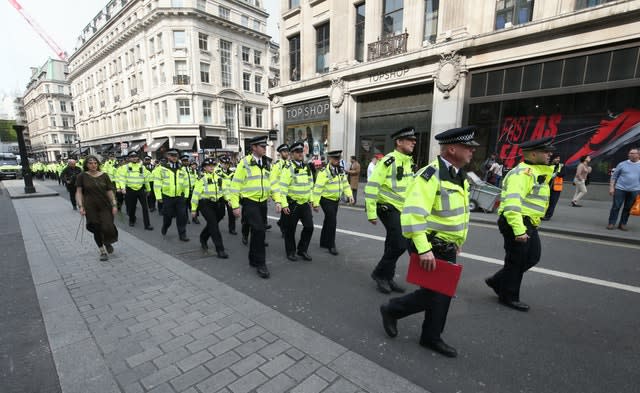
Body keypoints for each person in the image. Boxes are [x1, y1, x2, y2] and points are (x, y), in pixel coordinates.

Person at [379, 126, 479, 358]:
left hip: (446, 245)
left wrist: (457, 239)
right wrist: (424, 249)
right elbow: (413, 214)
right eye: (468, 147)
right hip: (430, 245)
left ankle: (429, 335)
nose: (472, 152)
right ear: (452, 149)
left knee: (441, 294)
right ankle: (394, 311)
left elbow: (457, 213)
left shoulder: (458, 176)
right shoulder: (430, 174)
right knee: (436, 294)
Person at [485, 137, 555, 312]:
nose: (550, 154)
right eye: (546, 152)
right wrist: (519, 230)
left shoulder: (537, 171)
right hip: (516, 221)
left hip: (528, 222)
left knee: (532, 257)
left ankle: (498, 281)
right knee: (516, 261)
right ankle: (508, 296)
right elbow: (512, 205)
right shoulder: (523, 173)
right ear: (533, 154)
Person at [365, 127, 417, 294]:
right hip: (387, 207)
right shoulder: (388, 161)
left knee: (392, 243)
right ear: (399, 142)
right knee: (401, 244)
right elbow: (372, 186)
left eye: (414, 140)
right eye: (410, 140)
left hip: (402, 208)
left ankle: (388, 277)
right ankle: (379, 273)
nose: (414, 142)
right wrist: (371, 212)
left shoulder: (408, 161)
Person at [228, 135, 273, 279]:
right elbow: (235, 185)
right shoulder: (244, 163)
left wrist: (279, 201)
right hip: (249, 202)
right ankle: (261, 263)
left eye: (265, 146)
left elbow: (272, 183)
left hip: (262, 202)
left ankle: (253, 258)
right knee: (260, 230)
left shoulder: (267, 163)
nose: (265, 148)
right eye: (262, 146)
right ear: (254, 147)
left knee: (257, 231)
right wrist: (235, 205)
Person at [75, 155, 118, 261]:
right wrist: (81, 206)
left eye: (95, 162)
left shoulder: (104, 175)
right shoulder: (82, 176)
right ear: (86, 164)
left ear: (98, 164)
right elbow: (79, 192)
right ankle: (102, 251)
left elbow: (109, 191)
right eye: (90, 163)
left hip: (105, 206)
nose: (93, 165)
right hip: (90, 207)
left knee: (108, 226)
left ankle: (107, 241)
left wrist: (114, 204)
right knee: (96, 228)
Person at [276, 142, 314, 262]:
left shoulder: (306, 167)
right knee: (290, 230)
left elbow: (310, 185)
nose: (300, 154)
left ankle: (302, 250)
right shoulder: (288, 168)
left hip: (304, 204)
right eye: (297, 152)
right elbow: (282, 188)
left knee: (309, 227)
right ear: (292, 154)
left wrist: (312, 200)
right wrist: (284, 204)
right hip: (292, 204)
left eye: (301, 152)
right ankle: (291, 251)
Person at [312, 150, 354, 255]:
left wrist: (350, 195)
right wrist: (315, 203)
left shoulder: (340, 170)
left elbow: (345, 184)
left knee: (328, 220)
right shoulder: (323, 172)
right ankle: (331, 245)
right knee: (332, 221)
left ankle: (323, 241)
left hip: (335, 200)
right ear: (330, 159)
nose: (337, 160)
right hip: (325, 200)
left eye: (338, 159)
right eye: (335, 158)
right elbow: (318, 188)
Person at [191, 158, 228, 258]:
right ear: (204, 168)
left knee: (214, 223)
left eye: (213, 165)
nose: (212, 167)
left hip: (219, 204)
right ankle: (220, 249)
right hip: (206, 205)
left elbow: (225, 190)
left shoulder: (219, 177)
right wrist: (194, 209)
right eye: (209, 165)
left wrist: (228, 200)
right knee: (214, 226)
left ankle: (203, 237)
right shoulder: (201, 179)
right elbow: (195, 194)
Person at [154, 149, 190, 241]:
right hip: (167, 196)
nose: (174, 157)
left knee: (182, 216)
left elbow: (186, 183)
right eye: (172, 155)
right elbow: (157, 183)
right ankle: (165, 226)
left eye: (176, 156)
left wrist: (186, 195)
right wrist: (158, 196)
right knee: (168, 216)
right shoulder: (161, 168)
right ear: (167, 156)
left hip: (180, 196)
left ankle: (182, 234)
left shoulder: (182, 169)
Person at [116, 151, 153, 230]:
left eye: (135, 156)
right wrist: (122, 188)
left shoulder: (142, 167)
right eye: (132, 156)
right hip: (130, 190)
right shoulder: (125, 167)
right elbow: (122, 178)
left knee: (145, 208)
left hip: (141, 189)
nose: (134, 158)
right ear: (129, 158)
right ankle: (131, 220)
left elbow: (146, 179)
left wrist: (149, 189)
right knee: (132, 207)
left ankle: (147, 224)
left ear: (138, 157)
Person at [607, 148, 640, 231]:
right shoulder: (622, 164)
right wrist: (611, 188)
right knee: (616, 206)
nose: (630, 155)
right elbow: (614, 177)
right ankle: (611, 223)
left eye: (632, 153)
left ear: (638, 155)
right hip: (620, 189)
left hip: (634, 190)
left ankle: (622, 224)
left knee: (628, 208)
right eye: (629, 153)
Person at [270, 144, 291, 238]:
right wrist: (276, 195)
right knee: (285, 212)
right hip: (280, 192)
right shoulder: (277, 165)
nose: (286, 153)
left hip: (288, 192)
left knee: (286, 212)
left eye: (287, 151)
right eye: (284, 152)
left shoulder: (290, 164)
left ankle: (281, 223)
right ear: (280, 153)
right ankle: (284, 229)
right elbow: (273, 180)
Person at [216, 155, 237, 235]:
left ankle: (232, 229)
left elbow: (235, 184)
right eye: (224, 163)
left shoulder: (232, 173)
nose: (226, 165)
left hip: (230, 195)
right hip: (221, 195)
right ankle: (214, 226)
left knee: (231, 213)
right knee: (220, 213)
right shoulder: (217, 172)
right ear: (220, 163)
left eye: (228, 163)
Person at [542, 154, 565, 221]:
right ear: (552, 159)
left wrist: (556, 173)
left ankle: (548, 216)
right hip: (546, 187)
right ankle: (542, 214)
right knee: (545, 202)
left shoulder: (561, 166)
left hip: (556, 188)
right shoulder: (547, 165)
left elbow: (562, 174)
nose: (558, 159)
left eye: (559, 158)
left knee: (552, 202)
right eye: (556, 158)